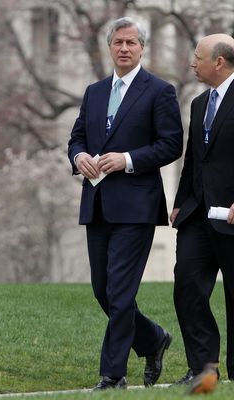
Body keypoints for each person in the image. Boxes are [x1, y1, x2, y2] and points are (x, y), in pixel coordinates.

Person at [67, 17, 183, 390]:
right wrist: (78, 157)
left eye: (131, 42)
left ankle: (113, 375)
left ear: (142, 47)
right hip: (97, 203)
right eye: (118, 42)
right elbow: (77, 138)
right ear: (109, 46)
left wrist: (127, 160)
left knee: (120, 292)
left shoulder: (159, 91)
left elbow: (170, 145)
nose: (124, 48)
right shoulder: (95, 91)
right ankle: (152, 340)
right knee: (103, 290)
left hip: (137, 207)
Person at [171, 33, 234, 385]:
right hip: (197, 216)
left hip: (232, 216)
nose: (193, 63)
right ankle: (203, 369)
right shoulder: (198, 103)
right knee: (188, 288)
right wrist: (181, 203)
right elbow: (194, 160)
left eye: (198, 57)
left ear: (219, 62)